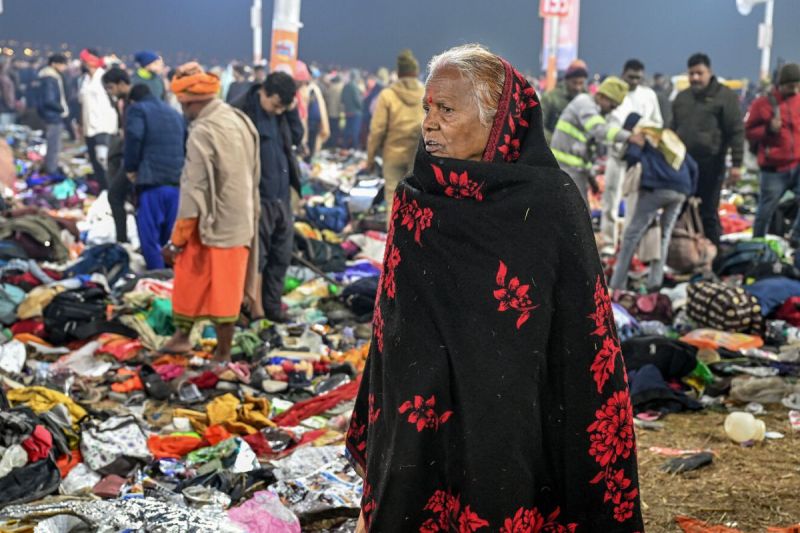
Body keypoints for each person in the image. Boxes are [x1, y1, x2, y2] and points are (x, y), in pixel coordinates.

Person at [346, 43, 642, 531]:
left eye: (446, 110)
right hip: (421, 412)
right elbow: (391, 326)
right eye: (427, 108)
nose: (429, 124)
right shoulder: (416, 199)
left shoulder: (549, 203)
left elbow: (582, 336)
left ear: (499, 120)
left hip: (510, 413)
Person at [161, 62, 260, 360]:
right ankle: (182, 337)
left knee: (221, 291)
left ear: (193, 102)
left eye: (184, 105)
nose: (183, 111)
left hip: (215, 223)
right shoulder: (239, 119)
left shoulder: (203, 131)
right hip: (241, 218)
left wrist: (177, 240)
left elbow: (194, 189)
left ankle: (223, 353)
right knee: (198, 280)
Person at [233, 72, 304, 323]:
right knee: (257, 258)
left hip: (281, 196)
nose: (277, 110)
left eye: (283, 107)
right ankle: (254, 311)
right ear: (264, 91)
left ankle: (272, 309)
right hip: (258, 197)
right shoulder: (242, 111)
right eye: (275, 105)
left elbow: (297, 136)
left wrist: (291, 112)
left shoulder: (281, 112)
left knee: (280, 256)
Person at [609, 113, 698, 291]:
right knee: (665, 235)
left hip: (656, 188)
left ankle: (617, 284)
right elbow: (693, 167)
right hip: (681, 189)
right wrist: (689, 193)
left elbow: (632, 157)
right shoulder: (667, 138)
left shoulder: (640, 135)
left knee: (631, 235)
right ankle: (655, 283)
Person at [671, 53, 744, 248]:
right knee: (681, 209)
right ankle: (685, 253)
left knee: (708, 211)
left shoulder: (724, 96)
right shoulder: (682, 98)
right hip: (684, 165)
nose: (695, 78)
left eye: (699, 73)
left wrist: (736, 164)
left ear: (709, 72)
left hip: (712, 164)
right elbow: (672, 129)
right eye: (691, 73)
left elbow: (736, 131)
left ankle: (713, 254)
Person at [601, 59, 664, 255]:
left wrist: (644, 132)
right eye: (631, 77)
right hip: (617, 155)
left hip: (638, 159)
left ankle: (628, 245)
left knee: (634, 204)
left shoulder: (648, 95)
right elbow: (605, 124)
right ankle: (609, 242)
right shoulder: (615, 92)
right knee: (611, 201)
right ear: (623, 74)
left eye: (638, 78)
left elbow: (658, 122)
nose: (634, 81)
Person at [123, 84, 186, 270]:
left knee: (150, 237)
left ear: (132, 100)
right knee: (171, 237)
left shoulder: (138, 110)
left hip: (152, 182)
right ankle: (171, 278)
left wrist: (131, 168)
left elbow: (134, 137)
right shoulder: (175, 113)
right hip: (176, 183)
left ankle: (157, 276)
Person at [550, 75, 631, 204]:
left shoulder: (597, 111)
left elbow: (587, 150)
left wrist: (591, 178)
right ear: (601, 96)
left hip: (574, 171)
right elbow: (599, 130)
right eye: (612, 106)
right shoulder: (584, 103)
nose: (612, 110)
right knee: (578, 213)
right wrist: (629, 137)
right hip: (566, 169)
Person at [366, 49, 425, 218]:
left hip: (392, 156)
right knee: (415, 203)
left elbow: (377, 130)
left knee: (393, 201)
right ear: (415, 73)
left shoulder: (387, 95)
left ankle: (393, 235)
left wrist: (370, 158)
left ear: (399, 73)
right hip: (416, 156)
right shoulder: (425, 93)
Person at [746, 63, 800, 241]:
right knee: (765, 211)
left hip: (797, 163)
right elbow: (749, 131)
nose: (795, 90)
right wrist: (768, 129)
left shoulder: (798, 100)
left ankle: (796, 238)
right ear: (781, 84)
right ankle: (757, 243)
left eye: (797, 86)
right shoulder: (762, 104)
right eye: (791, 86)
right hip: (774, 169)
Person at [102, 67, 135, 244]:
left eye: (111, 87)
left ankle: (122, 239)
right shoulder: (124, 102)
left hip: (134, 159)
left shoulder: (134, 103)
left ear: (122, 84)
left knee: (115, 195)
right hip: (128, 155)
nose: (110, 92)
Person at [79, 49, 118, 190]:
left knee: (104, 161)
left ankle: (110, 192)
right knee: (95, 162)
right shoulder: (84, 79)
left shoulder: (104, 78)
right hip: (89, 127)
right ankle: (103, 191)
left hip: (103, 127)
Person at [37, 54, 69, 175]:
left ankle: (51, 168)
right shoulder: (50, 78)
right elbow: (49, 100)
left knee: (53, 144)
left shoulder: (50, 76)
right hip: (53, 116)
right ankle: (52, 170)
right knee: (53, 145)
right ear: (54, 64)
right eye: (63, 64)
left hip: (51, 115)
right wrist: (61, 108)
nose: (64, 67)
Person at [541, 59, 588, 142]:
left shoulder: (587, 99)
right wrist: (555, 141)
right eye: (574, 83)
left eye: (581, 83)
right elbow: (538, 125)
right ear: (567, 80)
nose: (577, 87)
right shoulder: (550, 98)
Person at [294, 60, 329, 161]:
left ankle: (308, 162)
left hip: (314, 124)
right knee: (305, 146)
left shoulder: (314, 88)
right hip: (305, 123)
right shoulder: (301, 89)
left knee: (312, 145)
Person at [341, 70, 363, 149]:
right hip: (356, 112)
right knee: (355, 131)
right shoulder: (355, 87)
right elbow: (357, 100)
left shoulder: (346, 86)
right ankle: (355, 147)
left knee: (347, 130)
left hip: (348, 112)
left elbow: (342, 99)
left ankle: (345, 146)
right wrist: (362, 108)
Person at [324, 73, 344, 147]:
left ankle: (331, 143)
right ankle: (336, 144)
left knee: (332, 129)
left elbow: (327, 100)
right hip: (339, 113)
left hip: (330, 112)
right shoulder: (342, 87)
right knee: (337, 130)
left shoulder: (330, 88)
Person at [0, 60, 17, 126]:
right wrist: (9, 103)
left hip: (6, 104)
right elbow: (5, 93)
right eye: (7, 64)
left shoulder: (6, 76)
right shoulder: (3, 78)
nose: (8, 66)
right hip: (4, 105)